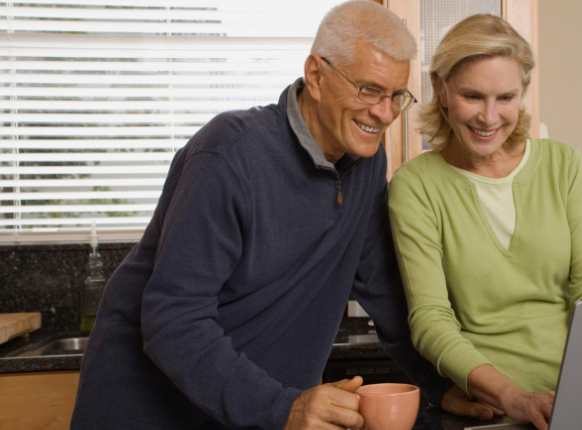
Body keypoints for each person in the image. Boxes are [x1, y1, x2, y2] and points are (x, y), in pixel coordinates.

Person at [70, 2, 488, 429]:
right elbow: (173, 320)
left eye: (395, 95)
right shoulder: (229, 155)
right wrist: (283, 408)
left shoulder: (364, 161)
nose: (384, 114)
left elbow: (385, 292)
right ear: (316, 75)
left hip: (251, 415)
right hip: (148, 413)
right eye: (368, 90)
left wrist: (442, 385)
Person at [388, 14, 582, 430]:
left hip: (579, 399)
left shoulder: (563, 165)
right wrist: (513, 397)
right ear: (442, 91)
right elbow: (430, 320)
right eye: (473, 96)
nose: (489, 117)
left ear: (523, 93)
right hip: (494, 411)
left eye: (505, 98)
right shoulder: (416, 186)